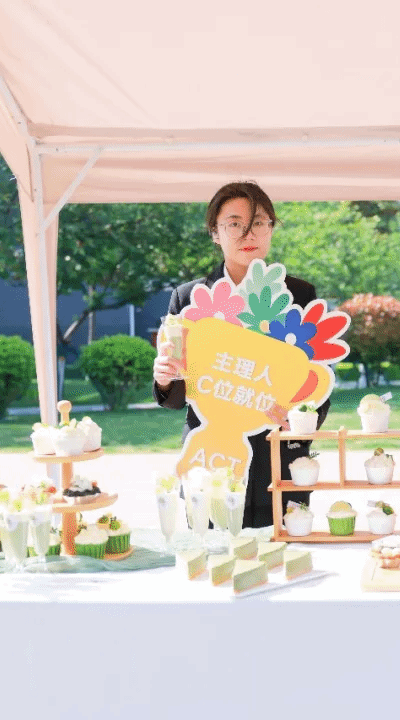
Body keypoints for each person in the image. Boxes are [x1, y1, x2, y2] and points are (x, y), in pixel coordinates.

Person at [152, 181, 328, 528]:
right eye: (235, 224)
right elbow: (178, 395)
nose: (249, 234)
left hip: (278, 452)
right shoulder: (189, 298)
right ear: (214, 233)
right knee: (211, 549)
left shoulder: (299, 294)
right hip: (212, 457)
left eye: (259, 223)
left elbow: (318, 373)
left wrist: (302, 419)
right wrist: (164, 379)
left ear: (271, 228)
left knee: (285, 551)